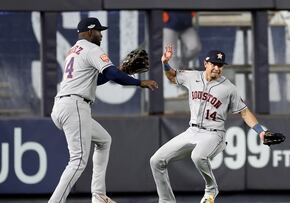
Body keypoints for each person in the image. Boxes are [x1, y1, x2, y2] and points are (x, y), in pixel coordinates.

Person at [49, 17, 158, 203]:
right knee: (77, 161)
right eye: (99, 31)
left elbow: (97, 80)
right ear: (90, 31)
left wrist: (119, 70)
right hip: (75, 106)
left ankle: (98, 196)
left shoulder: (73, 51)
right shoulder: (92, 48)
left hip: (63, 106)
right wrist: (139, 82)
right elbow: (112, 74)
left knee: (104, 140)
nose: (101, 35)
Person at [150, 45, 269, 203]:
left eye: (220, 65)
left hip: (214, 134)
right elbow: (172, 77)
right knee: (156, 161)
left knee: (198, 156)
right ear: (205, 63)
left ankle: (211, 189)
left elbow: (244, 112)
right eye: (214, 63)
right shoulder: (192, 77)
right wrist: (165, 63)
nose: (217, 68)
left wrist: (260, 131)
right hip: (192, 131)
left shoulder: (229, 88)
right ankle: (166, 201)